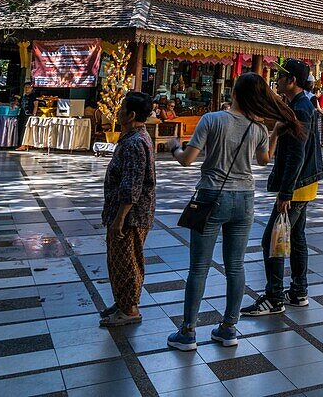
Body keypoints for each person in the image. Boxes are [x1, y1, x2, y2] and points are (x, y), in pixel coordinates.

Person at [165, 73, 292, 351]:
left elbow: (188, 160)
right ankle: (228, 328)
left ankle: (188, 331)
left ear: (234, 92)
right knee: (235, 266)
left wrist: (174, 147)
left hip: (212, 196)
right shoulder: (257, 128)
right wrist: (274, 135)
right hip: (245, 199)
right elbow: (263, 161)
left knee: (199, 267)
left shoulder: (212, 119)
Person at [242, 60, 322, 317]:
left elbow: (297, 154)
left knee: (272, 239)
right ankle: (298, 291)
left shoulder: (300, 109)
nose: (277, 80)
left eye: (281, 76)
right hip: (304, 183)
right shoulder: (299, 106)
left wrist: (286, 192)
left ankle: (274, 297)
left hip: (297, 186)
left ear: (293, 81)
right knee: (297, 237)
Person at [99, 91, 156, 327]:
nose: (118, 111)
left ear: (131, 115)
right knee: (118, 259)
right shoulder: (132, 138)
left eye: (122, 108)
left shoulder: (135, 142)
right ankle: (122, 301)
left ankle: (130, 307)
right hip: (124, 212)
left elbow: (131, 184)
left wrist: (120, 218)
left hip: (131, 216)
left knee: (128, 261)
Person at [15, 81, 37, 151]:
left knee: (25, 130)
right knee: (21, 129)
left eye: (28, 87)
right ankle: (22, 144)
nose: (27, 89)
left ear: (31, 88)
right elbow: (19, 104)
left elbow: (35, 105)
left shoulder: (33, 96)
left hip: (28, 115)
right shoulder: (24, 96)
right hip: (22, 114)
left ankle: (23, 145)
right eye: (25, 87)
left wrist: (33, 114)